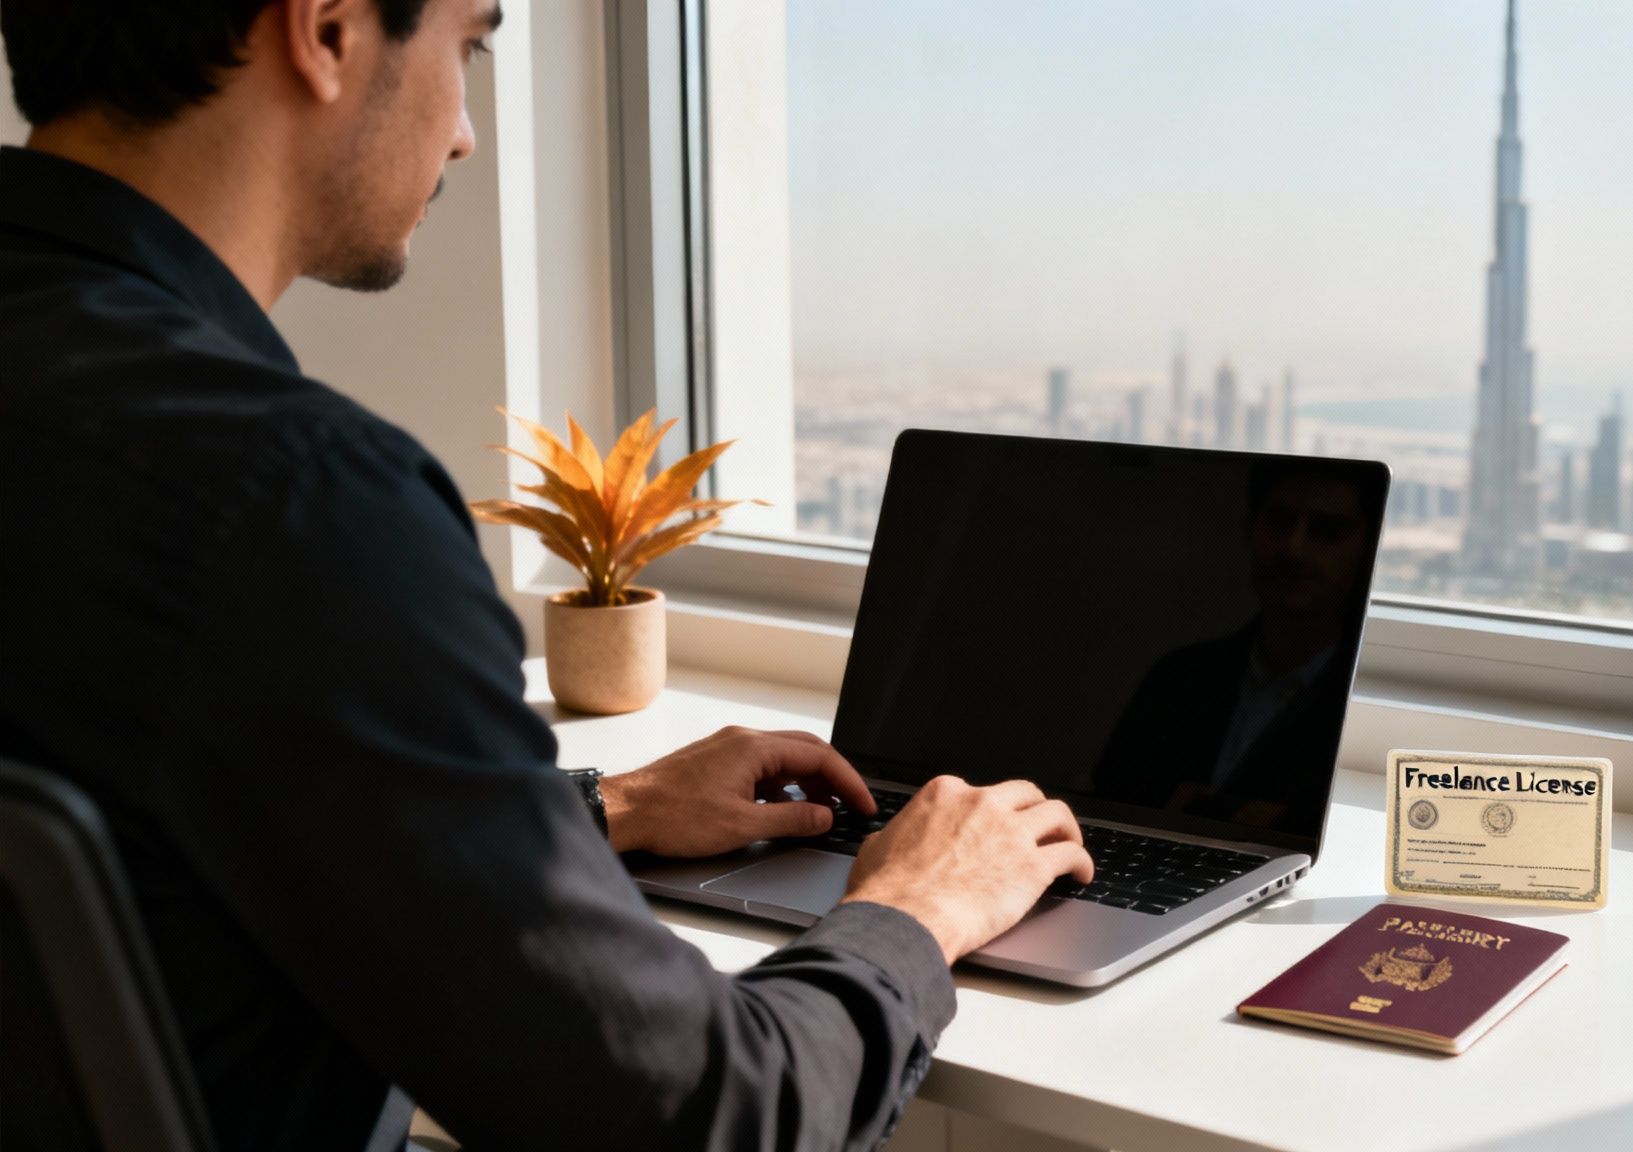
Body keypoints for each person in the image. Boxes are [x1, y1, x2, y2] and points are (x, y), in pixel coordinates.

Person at [0, 1, 1091, 1149]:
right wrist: (913, 908)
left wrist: (598, 811)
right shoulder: (295, 502)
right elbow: (705, 1120)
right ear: (324, 30)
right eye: (467, 47)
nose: (466, 132)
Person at [1091, 463, 1375, 836]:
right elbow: (1109, 806)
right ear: (1250, 529)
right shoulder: (1177, 678)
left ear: (1366, 549)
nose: (1294, 548)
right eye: (1278, 522)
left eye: (1327, 531)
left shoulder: (1364, 707)